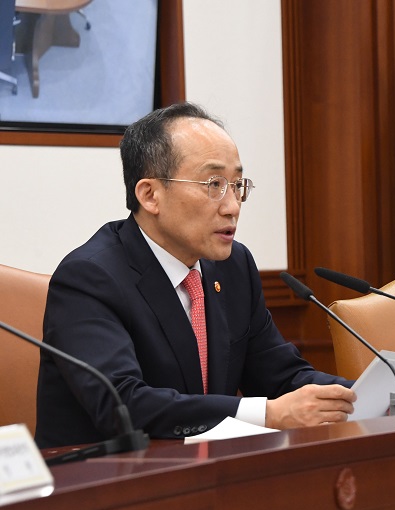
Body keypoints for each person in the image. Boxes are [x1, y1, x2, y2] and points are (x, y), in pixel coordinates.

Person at [35, 102, 356, 448]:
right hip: (101, 485)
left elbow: (282, 377)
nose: (232, 205)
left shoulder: (233, 267)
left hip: (203, 477)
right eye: (213, 184)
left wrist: (378, 393)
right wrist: (268, 415)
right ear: (150, 195)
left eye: (237, 185)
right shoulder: (89, 278)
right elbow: (124, 405)